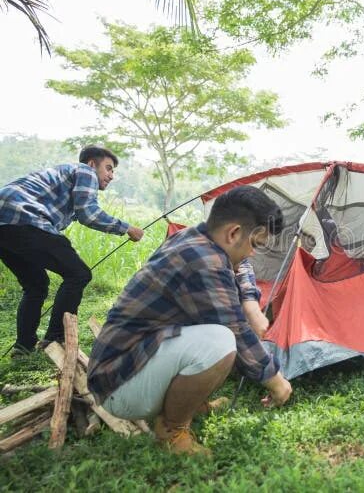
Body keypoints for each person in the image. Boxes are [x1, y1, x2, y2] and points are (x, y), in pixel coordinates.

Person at [88, 185, 292, 455]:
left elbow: (241, 265)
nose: (252, 254)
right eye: (254, 244)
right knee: (222, 340)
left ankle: (190, 403)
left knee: (217, 333)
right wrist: (277, 382)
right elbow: (239, 333)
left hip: (128, 364)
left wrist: (251, 304)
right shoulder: (203, 261)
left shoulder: (196, 238)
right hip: (120, 386)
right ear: (233, 233)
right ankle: (171, 430)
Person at [0, 145, 144, 356]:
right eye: (109, 168)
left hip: (6, 225)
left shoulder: (64, 180)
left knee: (36, 285)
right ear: (92, 164)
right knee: (78, 274)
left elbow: (76, 216)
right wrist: (127, 228)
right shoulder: (85, 171)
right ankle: (55, 339)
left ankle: (24, 346)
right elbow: (89, 213)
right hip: (25, 216)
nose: (111, 176)